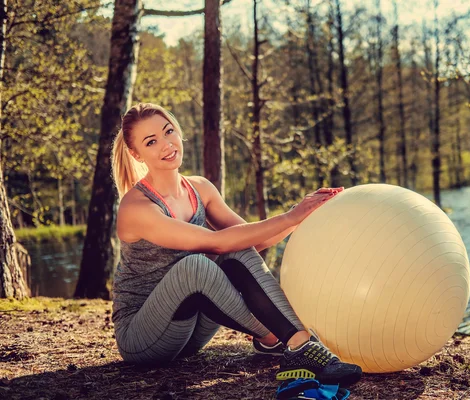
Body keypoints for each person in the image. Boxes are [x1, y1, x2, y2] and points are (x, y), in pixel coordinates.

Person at [110, 102, 362, 387]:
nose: (166, 144)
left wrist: (300, 215)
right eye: (151, 142)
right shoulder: (137, 207)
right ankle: (289, 341)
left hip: (190, 334)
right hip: (144, 338)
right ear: (135, 153)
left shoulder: (200, 188)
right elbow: (216, 243)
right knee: (196, 264)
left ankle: (286, 343)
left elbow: (251, 240)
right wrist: (291, 215)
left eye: (169, 132)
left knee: (238, 244)